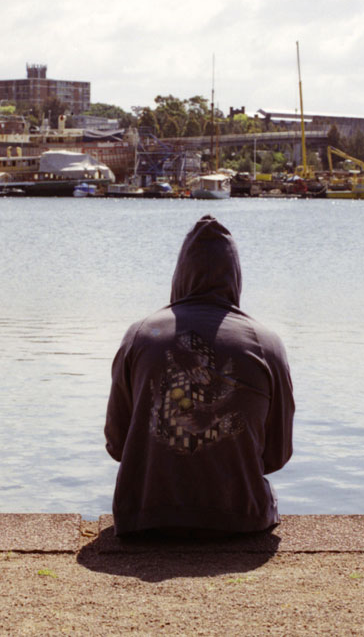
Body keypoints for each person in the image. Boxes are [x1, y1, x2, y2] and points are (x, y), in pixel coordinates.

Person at [104, 215, 295, 537]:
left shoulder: (139, 335)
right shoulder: (266, 343)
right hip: (239, 519)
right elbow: (277, 455)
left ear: (179, 275)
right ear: (236, 277)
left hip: (144, 519)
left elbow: (118, 444)